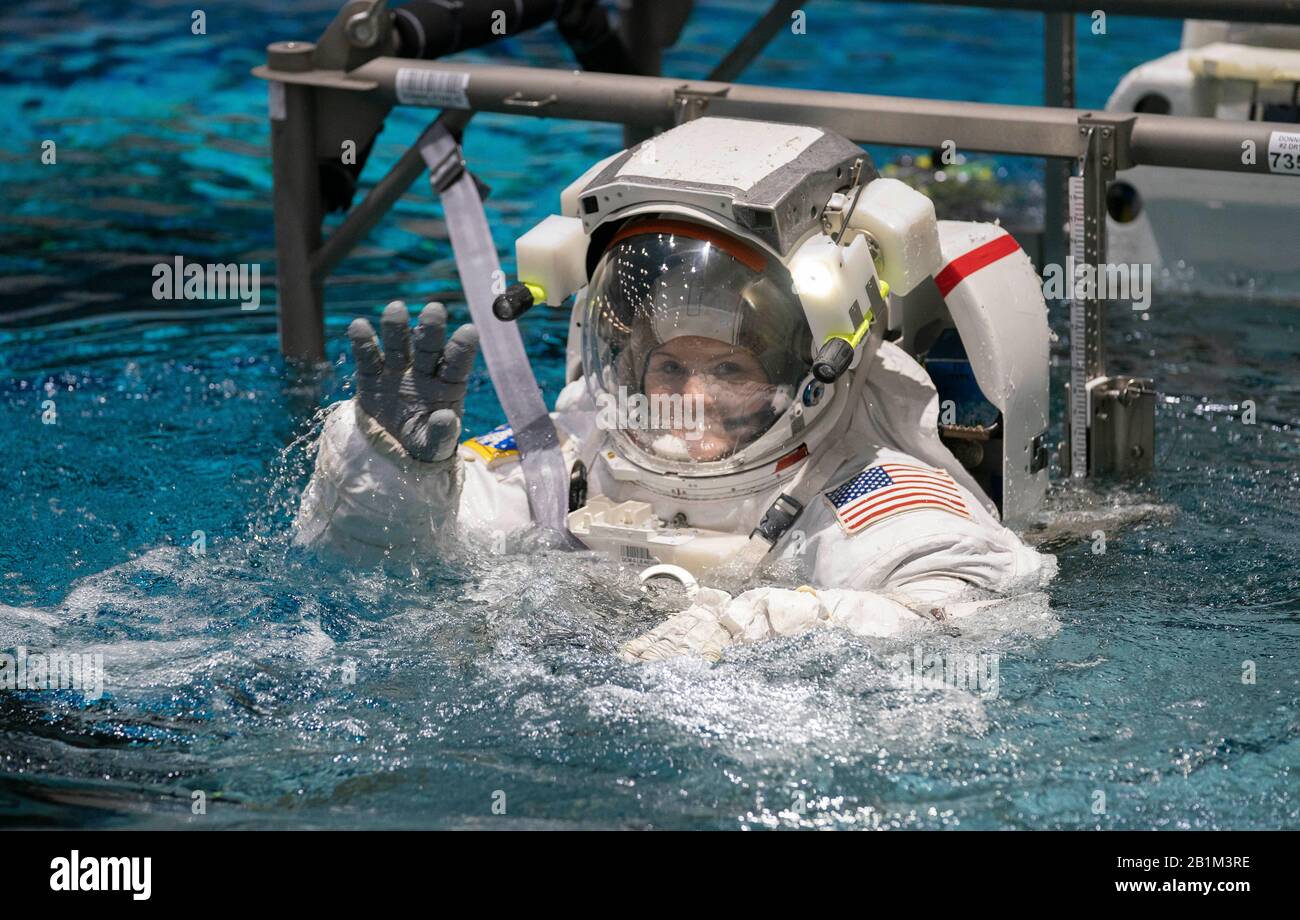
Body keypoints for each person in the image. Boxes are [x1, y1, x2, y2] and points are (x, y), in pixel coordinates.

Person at [295, 118, 1056, 662]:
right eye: (670, 366)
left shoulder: (867, 496)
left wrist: (769, 628)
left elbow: (984, 620)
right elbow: (385, 570)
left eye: (730, 370)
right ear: (627, 365)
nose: (691, 397)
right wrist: (393, 469)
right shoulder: (574, 460)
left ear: (810, 376)